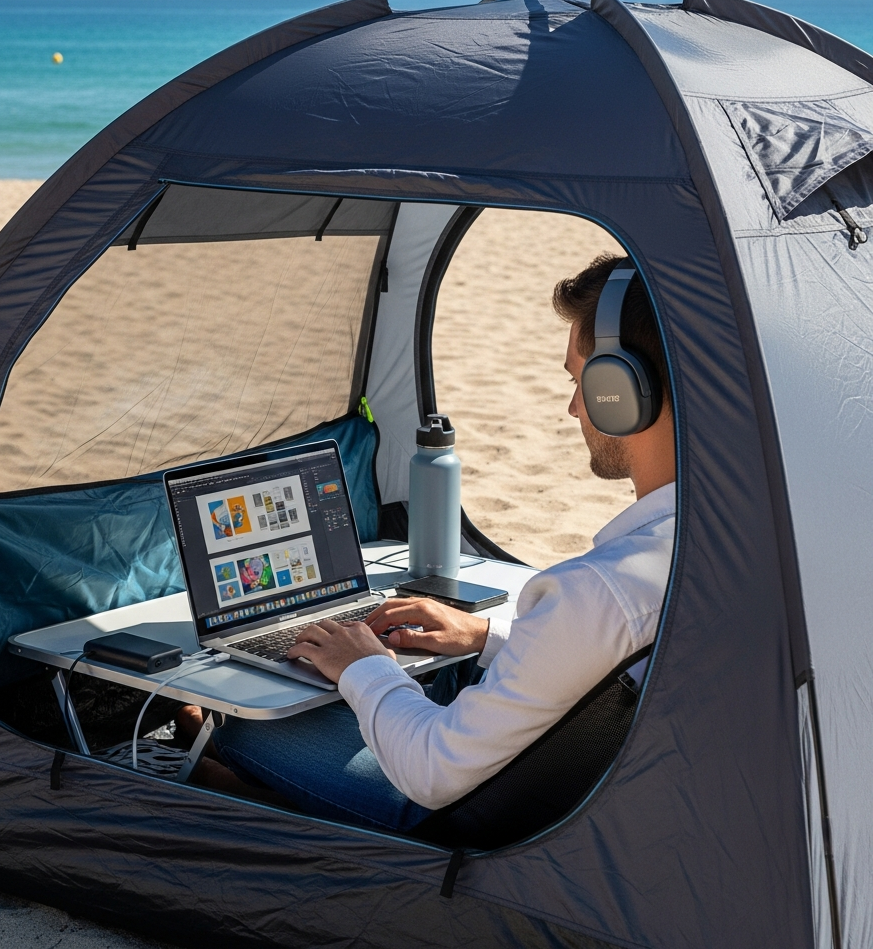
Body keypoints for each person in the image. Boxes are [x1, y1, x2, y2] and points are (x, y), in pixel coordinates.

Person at [178, 253, 676, 832]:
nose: (572, 408)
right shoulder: (704, 544)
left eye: (578, 381)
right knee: (457, 670)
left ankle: (244, 780)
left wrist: (365, 668)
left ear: (620, 390)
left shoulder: (598, 592)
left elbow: (431, 771)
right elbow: (593, 670)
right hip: (569, 782)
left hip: (463, 808)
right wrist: (484, 636)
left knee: (249, 726)